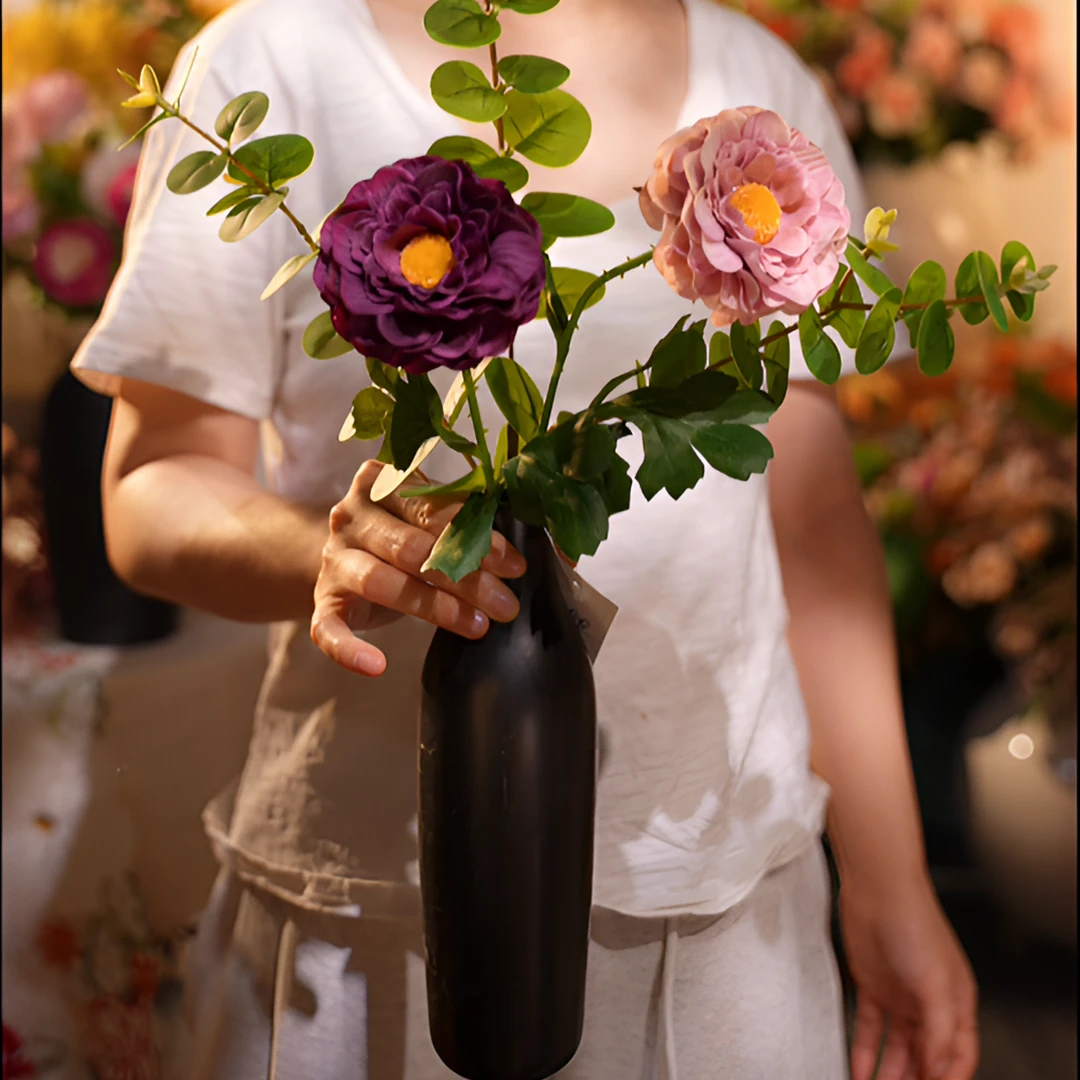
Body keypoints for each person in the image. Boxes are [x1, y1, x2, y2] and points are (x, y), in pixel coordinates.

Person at [73, 0, 979, 1076]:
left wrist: (891, 880)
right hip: (376, 911)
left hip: (726, 905)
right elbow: (155, 487)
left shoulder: (764, 92)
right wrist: (334, 553)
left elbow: (814, 521)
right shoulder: (270, 61)